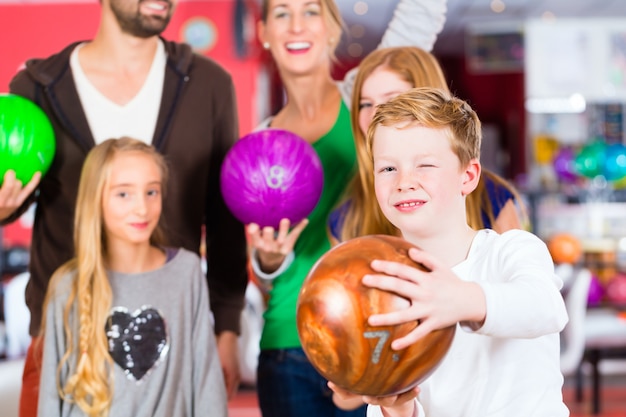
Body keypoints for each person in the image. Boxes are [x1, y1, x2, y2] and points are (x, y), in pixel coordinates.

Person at [2, 0, 247, 414]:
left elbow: (225, 221)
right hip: (62, 341)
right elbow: (12, 194)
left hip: (173, 345)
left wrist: (227, 328)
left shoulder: (209, 84)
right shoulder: (38, 87)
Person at [245, 1, 447, 416]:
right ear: (264, 32)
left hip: (376, 333)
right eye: (282, 13)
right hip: (289, 340)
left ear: (334, 29)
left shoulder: (368, 95)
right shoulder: (261, 142)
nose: (297, 25)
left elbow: (420, 16)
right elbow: (266, 271)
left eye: (311, 11)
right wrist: (267, 260)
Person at [331, 87, 569, 417]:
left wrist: (460, 300)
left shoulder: (512, 250)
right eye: (388, 169)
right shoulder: (383, 287)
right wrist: (397, 406)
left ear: (468, 176)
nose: (404, 182)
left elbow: (547, 308)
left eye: (425, 165)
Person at [37, 138, 227, 417]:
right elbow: (51, 399)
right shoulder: (67, 285)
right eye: (123, 194)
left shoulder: (186, 272)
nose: (142, 207)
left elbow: (207, 382)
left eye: (152, 191)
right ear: (96, 199)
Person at [331, 46, 527, 245]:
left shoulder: (490, 198)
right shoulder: (347, 218)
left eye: (391, 100)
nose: (375, 115)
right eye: (365, 104)